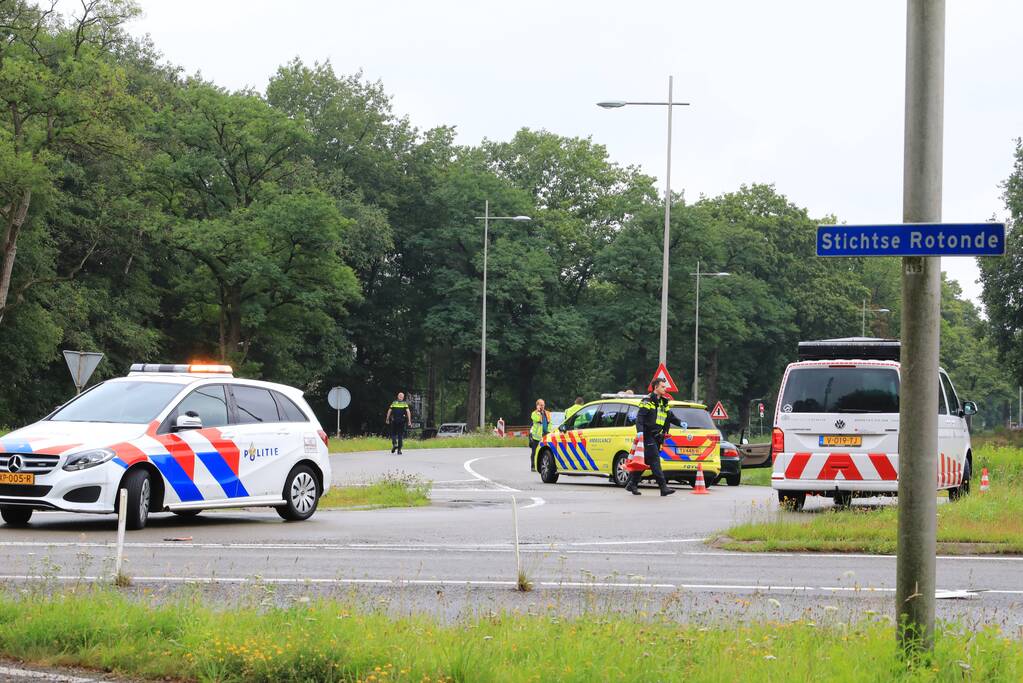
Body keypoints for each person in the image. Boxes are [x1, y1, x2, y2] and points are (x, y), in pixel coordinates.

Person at [627, 378, 681, 496]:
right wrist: (640, 432)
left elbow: (670, 416)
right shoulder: (647, 401)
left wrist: (681, 423)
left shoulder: (663, 402)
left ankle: (632, 483)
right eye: (663, 387)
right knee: (655, 462)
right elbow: (640, 418)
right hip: (648, 435)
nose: (665, 389)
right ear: (656, 387)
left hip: (657, 437)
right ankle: (663, 488)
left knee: (645, 460)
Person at [528, 399, 551, 472]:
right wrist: (539, 412)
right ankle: (533, 466)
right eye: (541, 405)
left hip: (545, 435)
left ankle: (542, 466)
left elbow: (550, 423)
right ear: (537, 406)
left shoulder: (547, 413)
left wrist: (549, 432)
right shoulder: (534, 414)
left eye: (543, 405)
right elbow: (538, 419)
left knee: (545, 452)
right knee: (534, 452)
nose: (542, 406)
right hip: (536, 437)